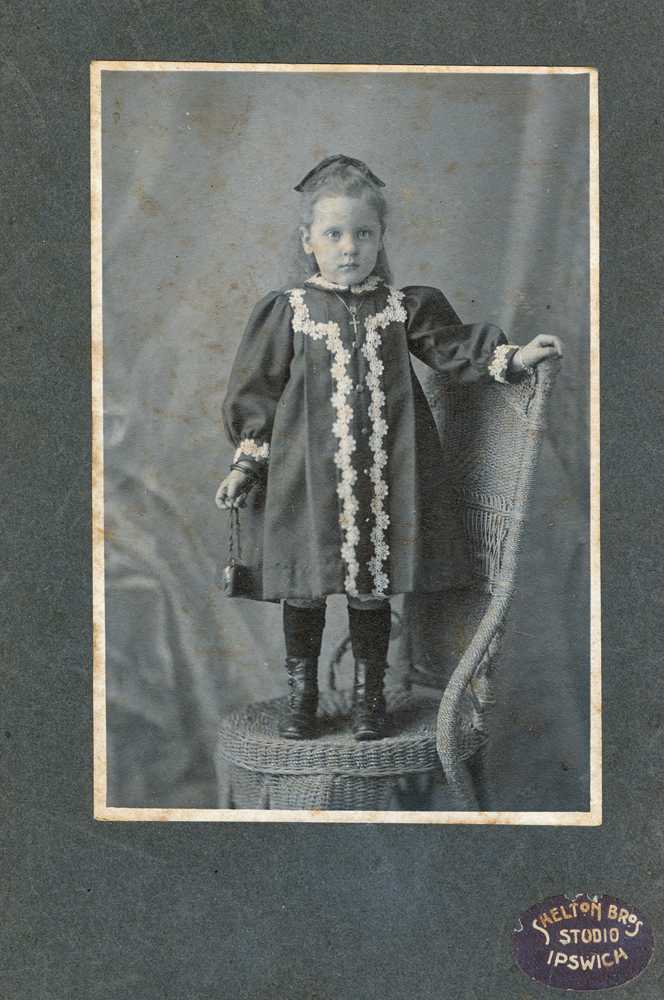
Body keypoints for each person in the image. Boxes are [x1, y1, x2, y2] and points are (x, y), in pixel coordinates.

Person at [216, 154, 563, 742]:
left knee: (371, 587)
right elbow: (258, 394)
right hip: (307, 483)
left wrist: (514, 358)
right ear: (309, 241)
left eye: (363, 233)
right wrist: (247, 463)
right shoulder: (288, 311)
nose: (348, 247)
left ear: (379, 239)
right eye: (333, 234)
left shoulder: (404, 309)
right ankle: (303, 698)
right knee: (305, 587)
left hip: (384, 479)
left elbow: (454, 348)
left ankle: (368, 697)